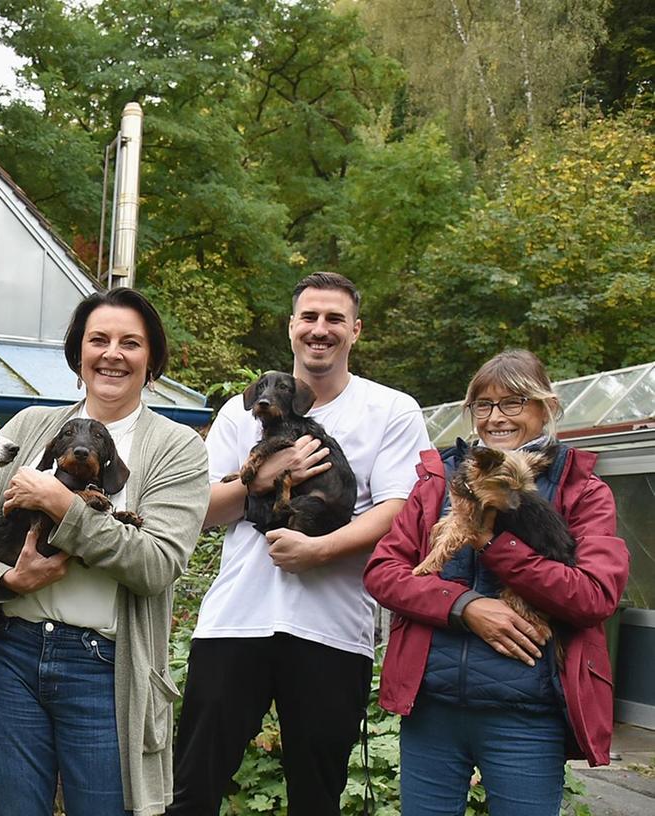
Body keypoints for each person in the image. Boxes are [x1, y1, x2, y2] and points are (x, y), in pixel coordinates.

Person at [0, 287, 210, 816]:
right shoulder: (28, 426)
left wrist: (64, 507)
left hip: (106, 667)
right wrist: (4, 581)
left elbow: (156, 565)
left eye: (130, 342)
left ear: (150, 356)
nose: (113, 353)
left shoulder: (177, 446)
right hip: (9, 653)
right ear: (78, 352)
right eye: (98, 339)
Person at [169, 272, 431, 816]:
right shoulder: (241, 413)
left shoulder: (391, 410)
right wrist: (260, 480)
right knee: (193, 789)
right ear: (291, 326)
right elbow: (199, 507)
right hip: (235, 620)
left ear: (355, 330)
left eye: (334, 319)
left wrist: (321, 550)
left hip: (331, 629)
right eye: (309, 317)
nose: (320, 329)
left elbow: (400, 508)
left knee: (317, 797)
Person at [364, 349, 628, 815]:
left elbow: (593, 597)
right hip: (433, 709)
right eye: (483, 405)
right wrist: (464, 606)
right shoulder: (437, 482)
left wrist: (492, 544)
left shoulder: (581, 491)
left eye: (513, 402)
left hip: (525, 715)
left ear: (544, 408)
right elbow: (384, 575)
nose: (496, 417)